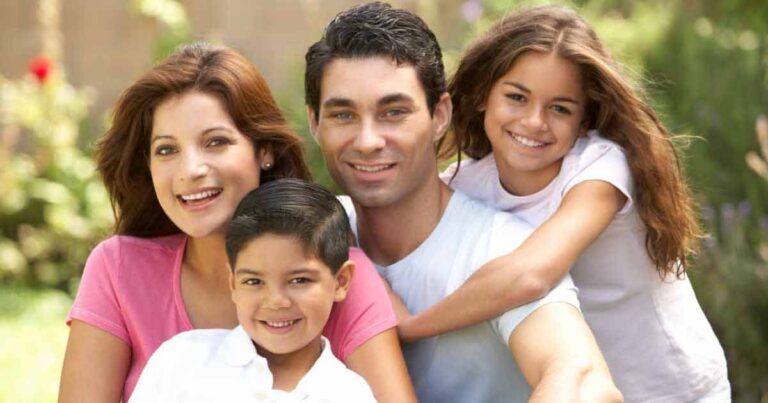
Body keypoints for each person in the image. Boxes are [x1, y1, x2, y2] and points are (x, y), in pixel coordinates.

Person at [391, 5, 729, 402]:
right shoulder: (466, 185)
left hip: (674, 391)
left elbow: (533, 273)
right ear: (483, 96)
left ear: (585, 118)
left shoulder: (600, 168)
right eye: (517, 97)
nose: (534, 122)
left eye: (560, 108)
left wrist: (412, 326)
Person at [59, 42, 415, 403]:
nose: (191, 170)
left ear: (264, 151)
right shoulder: (118, 269)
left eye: (215, 142)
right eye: (167, 149)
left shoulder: (330, 268)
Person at [304, 3, 622, 402]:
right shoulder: (311, 236)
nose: (368, 141)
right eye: (343, 115)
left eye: (394, 112)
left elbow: (581, 379)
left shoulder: (500, 247)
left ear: (440, 115)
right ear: (314, 122)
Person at [129, 179, 377, 402]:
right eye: (254, 282)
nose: (276, 301)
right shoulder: (181, 361)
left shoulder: (351, 395)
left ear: (341, 281)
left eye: (299, 280)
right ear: (233, 284)